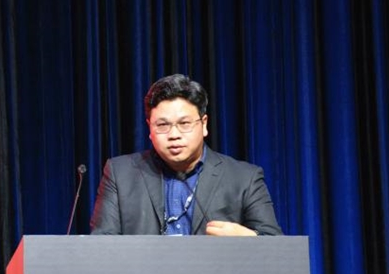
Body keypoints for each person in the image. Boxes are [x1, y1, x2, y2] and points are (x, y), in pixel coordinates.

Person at [90, 74, 282, 236]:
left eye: (184, 124)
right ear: (149, 128)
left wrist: (250, 240)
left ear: (204, 124)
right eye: (163, 125)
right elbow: (102, 247)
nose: (174, 134)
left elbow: (277, 249)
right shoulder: (120, 174)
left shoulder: (244, 178)